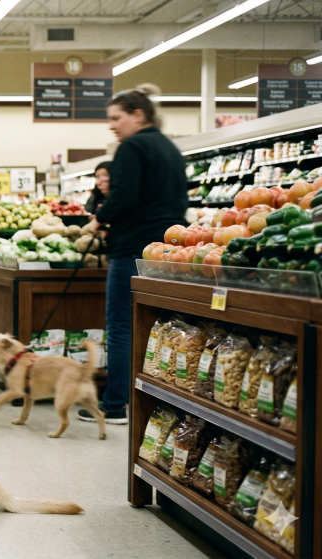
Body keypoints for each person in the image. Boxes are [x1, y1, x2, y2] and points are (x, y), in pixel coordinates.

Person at [81, 84, 187, 425]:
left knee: (122, 326)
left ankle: (114, 405)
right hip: (169, 250)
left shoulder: (131, 147)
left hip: (133, 250)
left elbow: (123, 196)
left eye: (116, 118)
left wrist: (100, 218)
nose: (112, 125)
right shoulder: (170, 148)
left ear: (137, 115)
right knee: (160, 327)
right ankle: (162, 403)